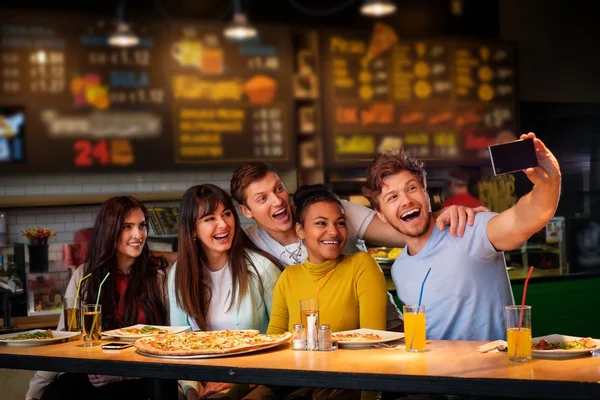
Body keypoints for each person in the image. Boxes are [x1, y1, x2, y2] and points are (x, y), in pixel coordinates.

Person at [230, 162, 484, 332]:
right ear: (246, 211)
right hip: (320, 352)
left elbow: (407, 231)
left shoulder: (333, 209)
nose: (278, 201)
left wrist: (447, 215)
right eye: (262, 199)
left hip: (385, 333)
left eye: (279, 189)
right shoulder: (249, 243)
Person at [362, 132, 561, 341]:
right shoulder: (399, 269)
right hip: (433, 372)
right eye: (392, 197)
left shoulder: (467, 229)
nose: (406, 201)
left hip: (491, 371)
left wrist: (549, 182)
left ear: (426, 193)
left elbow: (524, 219)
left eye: (412, 188)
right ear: (381, 215)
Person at [26, 196, 169, 400]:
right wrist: (35, 391)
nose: (138, 235)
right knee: (55, 393)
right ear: (109, 230)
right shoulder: (85, 276)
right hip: (93, 372)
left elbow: (172, 341)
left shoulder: (159, 275)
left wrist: (121, 375)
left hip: (144, 377)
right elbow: (64, 338)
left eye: (142, 225)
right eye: (127, 227)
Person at [267, 184, 387, 400]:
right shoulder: (288, 277)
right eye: (321, 223)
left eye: (340, 223)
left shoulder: (361, 265)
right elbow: (272, 346)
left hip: (347, 383)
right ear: (300, 231)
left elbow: (373, 346)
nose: (333, 231)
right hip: (297, 381)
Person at [168, 184, 281, 400]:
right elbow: (178, 345)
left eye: (227, 214)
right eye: (210, 219)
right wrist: (192, 390)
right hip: (200, 381)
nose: (223, 224)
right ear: (192, 229)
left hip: (252, 379)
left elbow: (281, 341)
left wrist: (238, 378)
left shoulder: (261, 268)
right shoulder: (178, 274)